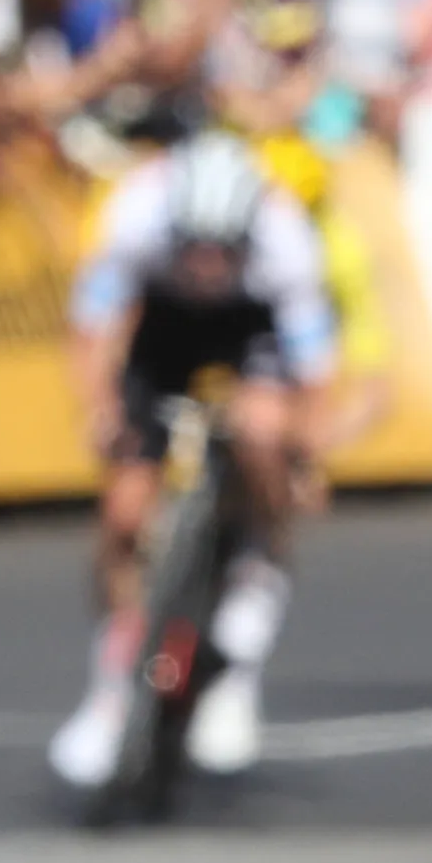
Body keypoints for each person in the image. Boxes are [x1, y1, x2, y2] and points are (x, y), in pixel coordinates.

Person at [52, 125, 338, 788]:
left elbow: (316, 374)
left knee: (263, 433)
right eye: (196, 250)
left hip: (251, 326)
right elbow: (93, 330)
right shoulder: (137, 215)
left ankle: (253, 584)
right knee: (124, 512)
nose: (209, 265)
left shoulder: (286, 240)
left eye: (223, 252)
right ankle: (113, 678)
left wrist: (304, 457)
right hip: (164, 326)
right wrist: (100, 411)